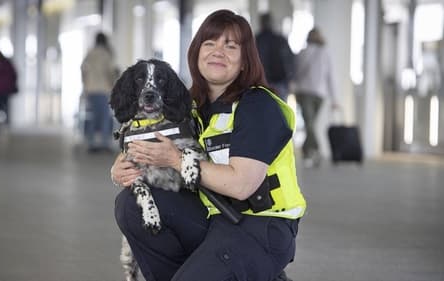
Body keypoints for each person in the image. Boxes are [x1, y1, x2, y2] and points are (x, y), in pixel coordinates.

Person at [111, 9, 306, 281]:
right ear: (196, 53)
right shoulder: (190, 108)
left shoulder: (258, 106)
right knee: (130, 205)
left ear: (244, 60)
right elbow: (145, 142)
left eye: (231, 46)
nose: (218, 52)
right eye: (210, 43)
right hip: (214, 218)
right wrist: (123, 168)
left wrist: (176, 160)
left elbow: (242, 185)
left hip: (262, 225)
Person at [294, 27, 338, 168]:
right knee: (310, 124)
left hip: (304, 91)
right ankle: (312, 152)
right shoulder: (326, 53)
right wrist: (334, 99)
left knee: (310, 124)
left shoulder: (303, 52)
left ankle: (311, 151)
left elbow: (296, 72)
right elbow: (330, 77)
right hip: (319, 94)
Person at [81, 32, 117, 152]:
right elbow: (111, 71)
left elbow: (83, 67)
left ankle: (91, 143)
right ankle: (104, 143)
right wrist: (113, 84)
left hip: (91, 89)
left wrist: (85, 83)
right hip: (103, 89)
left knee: (93, 117)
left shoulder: (90, 52)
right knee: (105, 117)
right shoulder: (106, 54)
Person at [255, 13, 296, 101]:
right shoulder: (280, 40)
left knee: (262, 111)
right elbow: (290, 61)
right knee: (280, 110)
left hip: (261, 82)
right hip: (280, 82)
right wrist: (290, 79)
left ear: (261, 23)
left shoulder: (255, 40)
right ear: (272, 23)